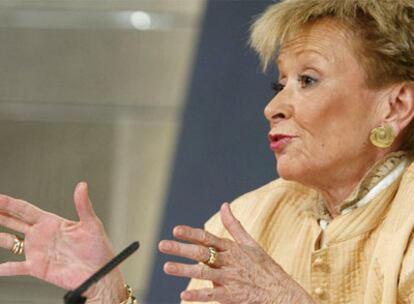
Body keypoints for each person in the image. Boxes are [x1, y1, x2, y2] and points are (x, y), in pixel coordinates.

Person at [0, 0, 414, 303]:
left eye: (307, 80)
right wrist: (112, 295)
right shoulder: (244, 220)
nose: (273, 108)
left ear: (395, 106)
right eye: (279, 84)